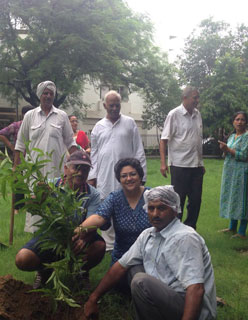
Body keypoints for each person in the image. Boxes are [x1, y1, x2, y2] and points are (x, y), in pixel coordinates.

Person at [84, 185, 217, 320]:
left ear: (175, 210)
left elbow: (196, 289)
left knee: (140, 281)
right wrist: (93, 299)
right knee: (133, 268)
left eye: (161, 208)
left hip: (190, 307)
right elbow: (120, 265)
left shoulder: (185, 238)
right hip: (169, 296)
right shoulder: (148, 235)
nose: (155, 214)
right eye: (151, 208)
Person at [15, 150, 105, 288]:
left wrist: (84, 238)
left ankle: (82, 272)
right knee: (23, 259)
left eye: (85, 170)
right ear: (66, 169)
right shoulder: (50, 185)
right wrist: (39, 199)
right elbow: (30, 207)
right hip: (52, 235)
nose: (81, 173)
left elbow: (93, 221)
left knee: (99, 246)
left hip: (78, 235)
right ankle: (44, 270)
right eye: (77, 168)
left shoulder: (93, 194)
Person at [14, 80, 77, 232]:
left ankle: (56, 238)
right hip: (34, 171)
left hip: (56, 170)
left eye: (51, 93)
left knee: (56, 204)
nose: (48, 96)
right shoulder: (30, 116)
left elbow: (70, 143)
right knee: (36, 205)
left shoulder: (61, 116)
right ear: (39, 95)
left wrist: (77, 166)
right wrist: (16, 167)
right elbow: (20, 144)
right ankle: (35, 241)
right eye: (45, 93)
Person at [88, 90, 147, 251]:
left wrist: (142, 175)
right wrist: (92, 176)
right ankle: (108, 244)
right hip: (105, 175)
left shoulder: (129, 123)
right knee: (106, 206)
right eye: (111, 105)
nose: (114, 108)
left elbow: (138, 149)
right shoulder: (98, 126)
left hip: (127, 176)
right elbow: (94, 153)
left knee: (127, 206)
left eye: (117, 105)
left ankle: (128, 241)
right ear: (105, 105)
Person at [76, 158, 151, 271]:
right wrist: (77, 231)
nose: (129, 178)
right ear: (119, 179)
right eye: (124, 176)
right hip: (123, 257)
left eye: (133, 174)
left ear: (140, 176)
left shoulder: (152, 196)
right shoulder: (115, 198)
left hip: (149, 255)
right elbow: (99, 217)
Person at [160, 86, 204, 229]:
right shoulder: (174, 114)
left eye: (197, 98)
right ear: (184, 98)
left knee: (196, 200)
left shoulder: (197, 114)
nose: (197, 101)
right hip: (179, 165)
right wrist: (163, 163)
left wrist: (201, 163)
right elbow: (164, 140)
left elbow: (197, 140)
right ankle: (175, 229)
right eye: (194, 98)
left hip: (196, 166)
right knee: (178, 200)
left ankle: (190, 228)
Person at [0, 105, 33, 213]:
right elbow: (1, 134)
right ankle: (17, 207)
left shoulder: (36, 126)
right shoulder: (17, 125)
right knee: (19, 183)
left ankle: (32, 206)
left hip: (33, 158)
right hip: (20, 159)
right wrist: (11, 146)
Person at [219, 111, 248, 239]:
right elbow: (227, 154)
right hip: (230, 173)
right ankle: (232, 227)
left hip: (242, 173)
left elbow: (244, 156)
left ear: (246, 122)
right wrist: (224, 150)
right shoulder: (232, 136)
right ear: (233, 122)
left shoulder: (247, 137)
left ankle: (241, 232)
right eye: (237, 119)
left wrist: (228, 150)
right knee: (232, 198)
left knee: (243, 200)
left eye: (242, 119)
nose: (239, 122)